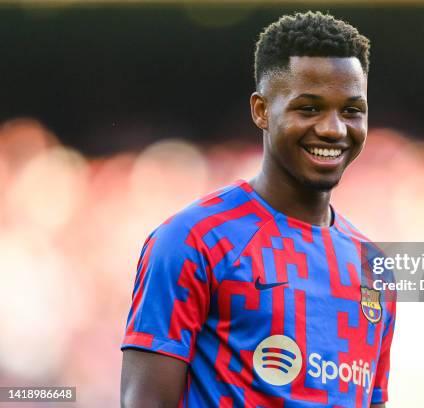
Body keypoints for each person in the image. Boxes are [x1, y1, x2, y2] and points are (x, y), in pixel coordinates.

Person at [120, 11, 396, 408]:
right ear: (261, 111)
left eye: (352, 110)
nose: (334, 129)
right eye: (309, 108)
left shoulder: (374, 268)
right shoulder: (193, 242)